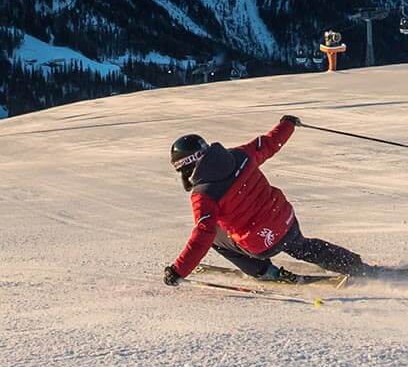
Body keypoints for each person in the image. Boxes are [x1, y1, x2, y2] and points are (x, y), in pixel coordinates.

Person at [161, 115, 380, 286]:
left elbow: (202, 236)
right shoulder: (240, 156)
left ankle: (265, 272)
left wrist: (178, 270)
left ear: (188, 166)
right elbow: (269, 143)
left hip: (260, 244)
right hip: (285, 220)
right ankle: (357, 266)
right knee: (302, 246)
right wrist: (287, 124)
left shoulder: (204, 194)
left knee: (214, 238)